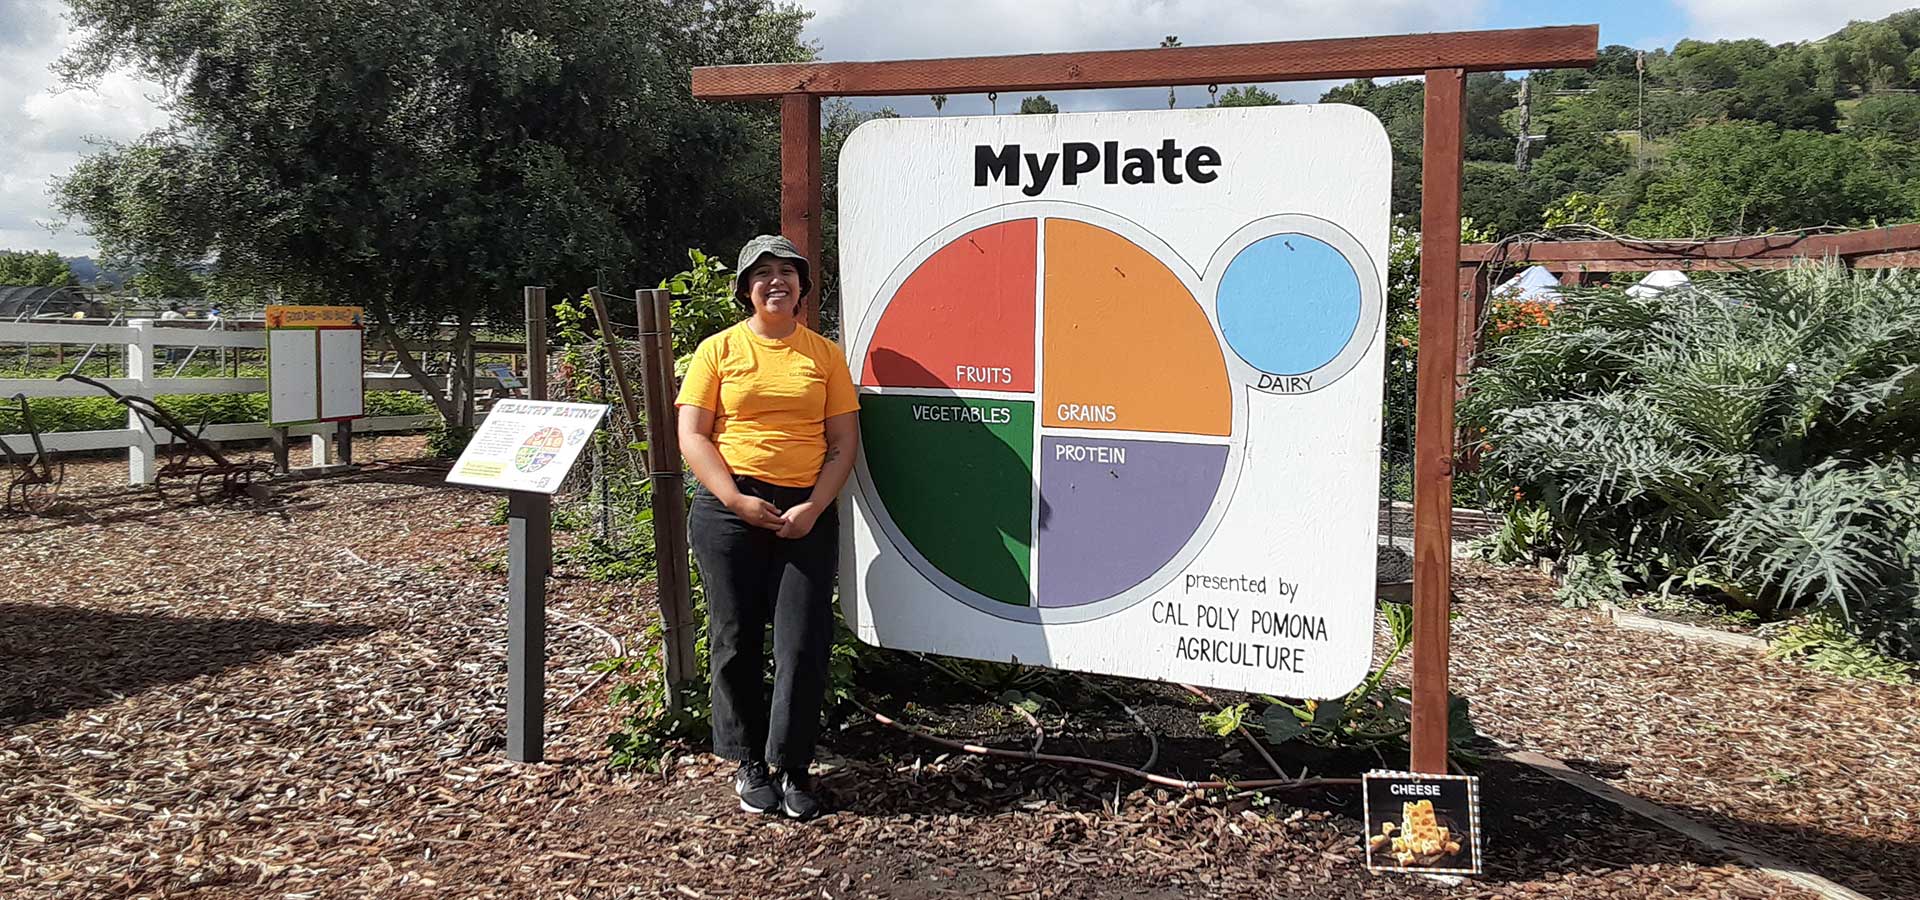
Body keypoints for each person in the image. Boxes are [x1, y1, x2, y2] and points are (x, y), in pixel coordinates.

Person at [675, 235, 860, 820]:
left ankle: (793, 765)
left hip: (806, 510)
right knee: (736, 639)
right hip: (731, 509)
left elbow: (843, 441)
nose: (775, 281)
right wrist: (733, 498)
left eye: (787, 272)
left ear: (803, 289)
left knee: (803, 641)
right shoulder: (719, 351)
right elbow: (694, 434)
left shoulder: (824, 356)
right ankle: (749, 759)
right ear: (745, 289)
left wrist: (813, 506)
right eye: (762, 273)